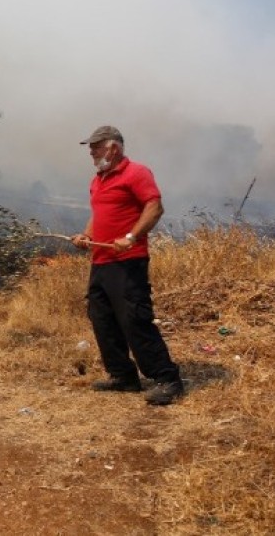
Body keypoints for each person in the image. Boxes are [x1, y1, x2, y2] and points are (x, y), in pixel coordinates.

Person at [70, 125, 184, 405]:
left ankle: (167, 379)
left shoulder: (137, 173)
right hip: (101, 261)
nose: (91, 152)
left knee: (134, 320)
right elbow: (98, 215)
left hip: (128, 262)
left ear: (113, 148)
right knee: (102, 319)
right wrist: (87, 236)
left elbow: (154, 207)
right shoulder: (99, 179)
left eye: (96, 147)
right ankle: (123, 377)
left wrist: (131, 237)